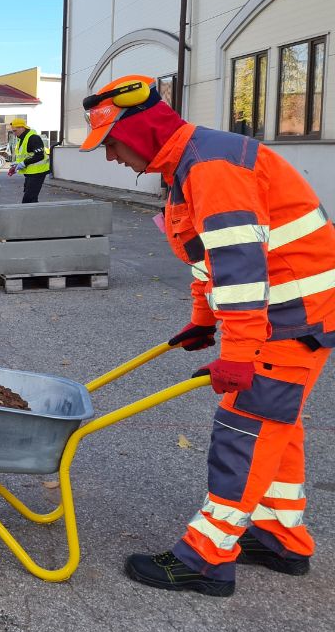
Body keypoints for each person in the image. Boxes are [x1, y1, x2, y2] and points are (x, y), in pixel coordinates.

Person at [80, 74, 335, 597]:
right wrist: (202, 319)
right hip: (291, 313)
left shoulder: (213, 169)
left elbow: (242, 273)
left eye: (111, 144)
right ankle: (282, 535)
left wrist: (238, 354)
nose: (110, 158)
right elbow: (208, 260)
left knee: (244, 433)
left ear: (143, 130)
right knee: (275, 428)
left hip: (288, 319)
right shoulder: (186, 170)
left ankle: (206, 558)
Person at [7, 117, 50, 203]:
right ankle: (33, 215)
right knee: (31, 198)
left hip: (38, 172)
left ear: (22, 128)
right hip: (30, 173)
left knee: (28, 199)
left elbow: (39, 156)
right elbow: (24, 156)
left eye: (15, 131)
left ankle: (28, 215)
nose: (14, 134)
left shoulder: (33, 138)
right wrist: (16, 166)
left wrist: (23, 163)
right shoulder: (22, 139)